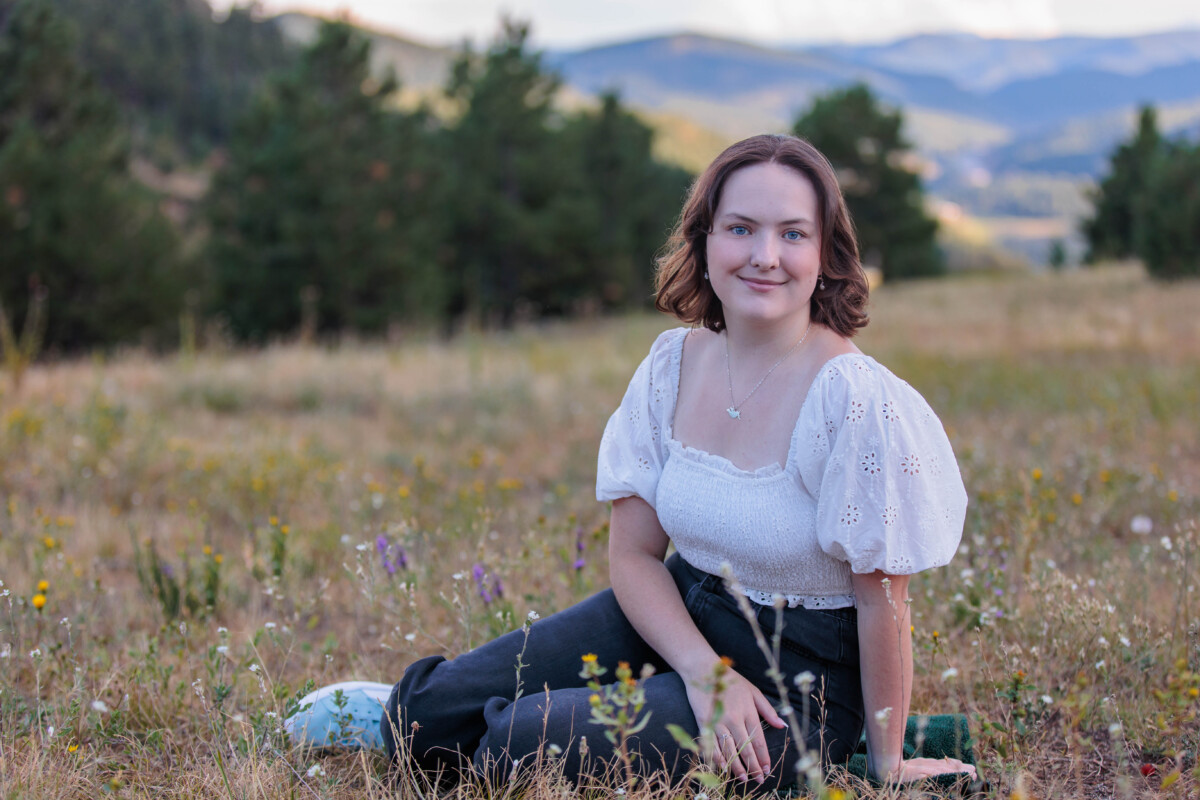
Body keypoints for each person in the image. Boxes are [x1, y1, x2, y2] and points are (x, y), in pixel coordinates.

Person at [287, 134, 977, 789]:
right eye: (740, 228)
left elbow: (883, 599)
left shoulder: (854, 398)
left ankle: (836, 751)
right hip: (680, 609)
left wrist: (887, 762)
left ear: (825, 253)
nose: (765, 254)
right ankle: (418, 717)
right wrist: (703, 673)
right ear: (704, 240)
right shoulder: (672, 365)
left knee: (518, 748)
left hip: (795, 680)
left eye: (792, 233)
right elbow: (636, 558)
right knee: (428, 712)